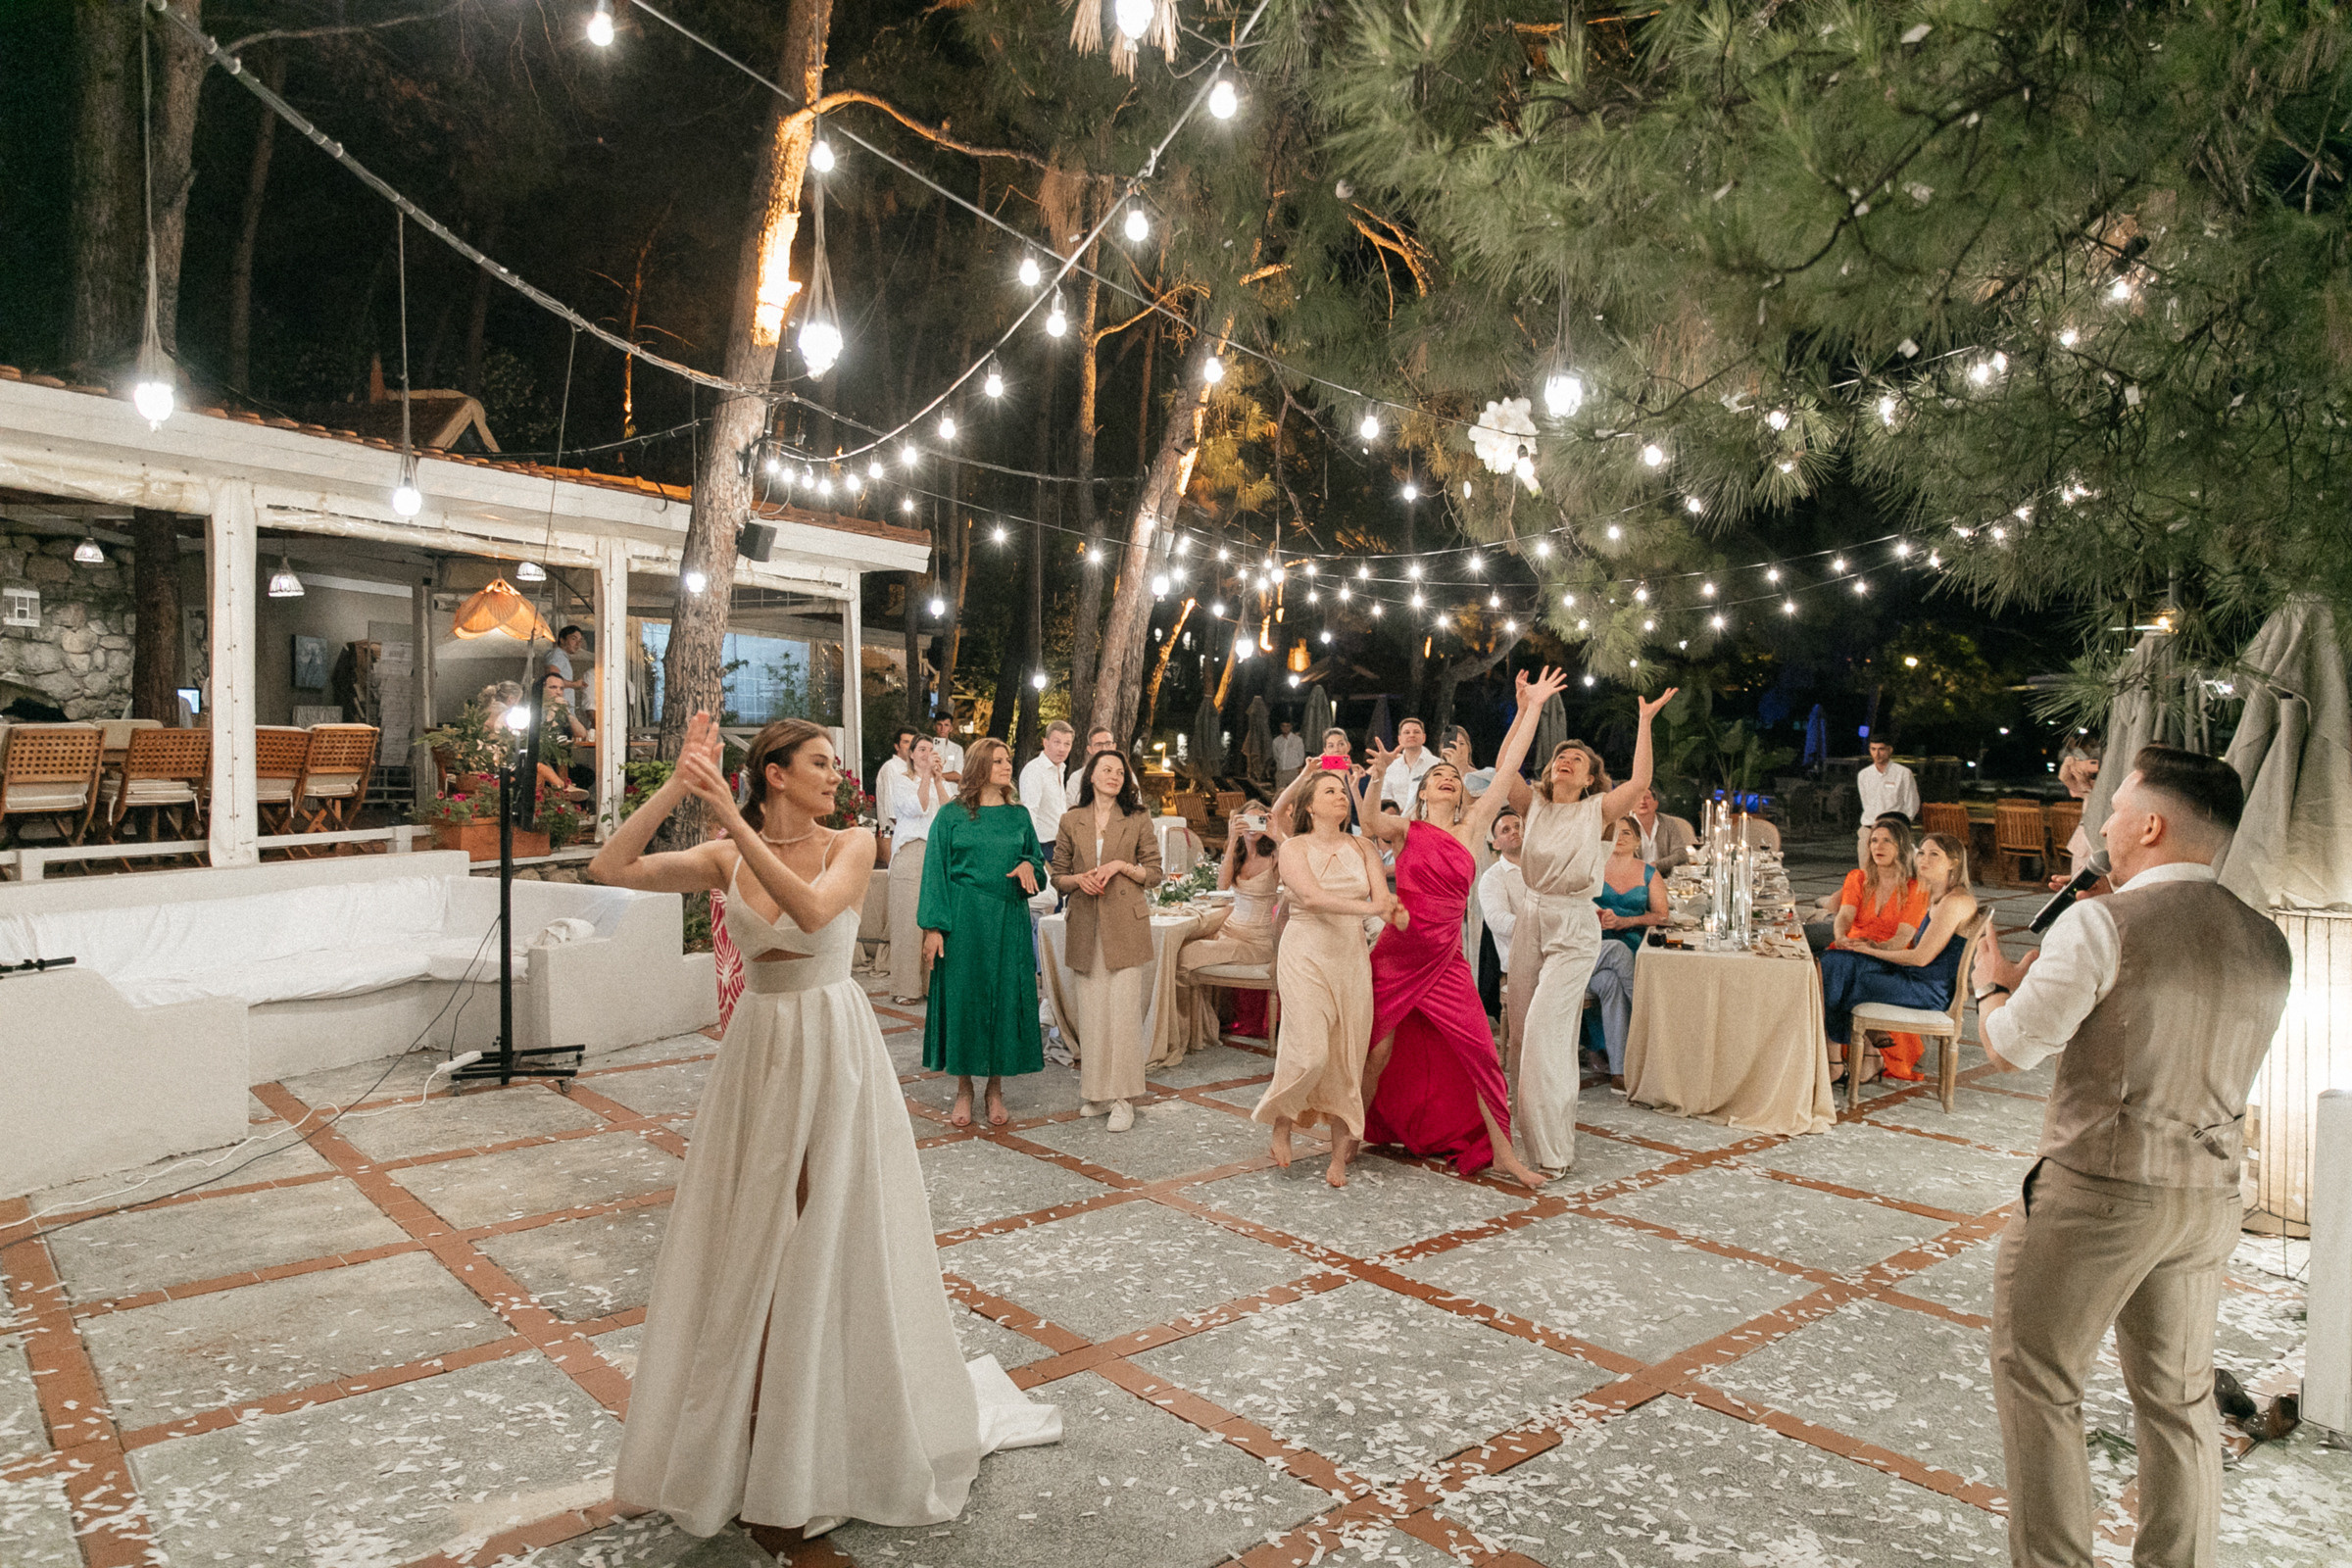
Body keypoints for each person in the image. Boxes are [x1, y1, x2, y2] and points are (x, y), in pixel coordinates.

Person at [595, 714, 1055, 1546]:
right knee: (750, 1234)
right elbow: (608, 864)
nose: (835, 777)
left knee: (821, 1226)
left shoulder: (852, 845)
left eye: (836, 765)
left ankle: (824, 1436)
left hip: (831, 1044)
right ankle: (755, 1430)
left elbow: (810, 915)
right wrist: (683, 779)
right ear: (774, 773)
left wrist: (729, 817)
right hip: (757, 1053)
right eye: (817, 763)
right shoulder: (726, 856)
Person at [1972, 746, 2290, 1568]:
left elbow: (2012, 1046)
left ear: (2150, 824)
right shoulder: (2265, 938)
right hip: (2211, 1195)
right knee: (2179, 1400)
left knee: (2040, 1381)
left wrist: (1990, 985)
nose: (2102, 822)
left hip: (2101, 1191)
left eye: (2114, 807)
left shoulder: (2099, 923)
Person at [1351, 667, 1566, 1191]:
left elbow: (1510, 761)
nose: (1447, 778)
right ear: (1423, 793)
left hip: (1446, 960)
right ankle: (1352, 1131)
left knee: (1482, 1055)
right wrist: (1378, 775)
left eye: (1452, 775)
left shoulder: (1474, 827)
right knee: (1377, 1048)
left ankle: (1504, 1156)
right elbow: (1368, 822)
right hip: (1399, 954)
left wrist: (1530, 707)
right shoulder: (1405, 829)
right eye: (1436, 777)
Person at [1503, 684, 1678, 1173]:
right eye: (1562, 756)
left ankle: (1555, 1152)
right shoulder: (1530, 806)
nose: (1567, 760)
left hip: (1574, 925)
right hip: (1531, 920)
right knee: (1520, 1038)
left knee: (1545, 1033)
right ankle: (1531, 1142)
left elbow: (1641, 780)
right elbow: (1505, 769)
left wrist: (1645, 722)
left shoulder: (1597, 811)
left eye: (1578, 759)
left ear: (1590, 779)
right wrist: (1527, 711)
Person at [1253, 771, 1396, 1187]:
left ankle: (1337, 1154)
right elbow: (1313, 898)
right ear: (1310, 807)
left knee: (1346, 1056)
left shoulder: (1363, 846)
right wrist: (1371, 910)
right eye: (1329, 792)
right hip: (1305, 951)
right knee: (1311, 1050)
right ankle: (1282, 1120)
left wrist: (1386, 907)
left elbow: (1382, 896)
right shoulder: (1294, 847)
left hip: (1351, 956)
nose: (1340, 798)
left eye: (1341, 792)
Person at [919, 738, 1050, 1129]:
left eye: (1008, 759)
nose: (1007, 766)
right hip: (963, 918)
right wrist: (933, 928)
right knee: (964, 999)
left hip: (1009, 916)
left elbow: (1038, 865)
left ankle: (994, 1087)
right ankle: (964, 1087)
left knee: (1002, 997)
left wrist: (1030, 867)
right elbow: (934, 872)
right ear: (979, 767)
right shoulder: (951, 816)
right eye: (997, 761)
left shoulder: (1019, 815)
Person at [1050, 748, 1164, 1131]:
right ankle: (1096, 1093)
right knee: (1093, 1012)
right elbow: (1058, 875)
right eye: (1107, 770)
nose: (1115, 776)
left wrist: (1119, 866)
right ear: (1091, 776)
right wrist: (1078, 881)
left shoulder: (1137, 818)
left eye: (1120, 771)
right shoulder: (1072, 820)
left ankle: (1124, 1098)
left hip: (1125, 924)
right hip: (1085, 923)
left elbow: (1155, 872)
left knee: (1123, 1014)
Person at [1819, 831, 1978, 1083]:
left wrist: (1868, 951)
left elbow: (1920, 958)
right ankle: (1860, 1056)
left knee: (1836, 968)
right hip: (1916, 980)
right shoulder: (1939, 897)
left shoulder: (1955, 901)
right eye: (1922, 853)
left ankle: (1836, 1062)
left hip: (1928, 991)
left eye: (1934, 854)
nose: (1924, 860)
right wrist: (1872, 947)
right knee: (1836, 961)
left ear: (1953, 862)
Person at [1175, 800, 1286, 1042]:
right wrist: (1233, 838)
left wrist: (1277, 835)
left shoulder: (1276, 856)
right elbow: (1222, 886)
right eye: (1247, 820)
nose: (1253, 826)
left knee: (1185, 957)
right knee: (1178, 948)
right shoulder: (1237, 853)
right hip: (1229, 929)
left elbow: (1297, 863)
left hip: (1257, 941)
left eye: (1260, 819)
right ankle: (1197, 1025)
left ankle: (1191, 1030)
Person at [1584, 815, 1667, 1086]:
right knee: (1618, 957)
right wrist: (1598, 917)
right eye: (1614, 833)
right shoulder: (1592, 868)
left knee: (1610, 981)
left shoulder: (1648, 872)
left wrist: (1627, 921)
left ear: (1638, 840)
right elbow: (1577, 906)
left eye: (1626, 834)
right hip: (1595, 942)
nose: (1619, 838)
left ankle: (1620, 1067)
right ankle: (1649, 1025)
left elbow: (1662, 916)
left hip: (1633, 940)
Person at [884, 737, 948, 1004]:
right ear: (911, 755)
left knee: (931, 920)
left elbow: (948, 812)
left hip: (936, 854)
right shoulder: (901, 780)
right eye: (921, 750)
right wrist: (924, 777)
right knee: (908, 923)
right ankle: (905, 988)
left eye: (930, 750)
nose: (927, 754)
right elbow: (918, 808)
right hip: (911, 853)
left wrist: (938, 780)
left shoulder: (937, 783)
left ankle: (930, 985)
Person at [1020, 720, 1076, 909]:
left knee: (1063, 903)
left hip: (1060, 845)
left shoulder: (1060, 768)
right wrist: (1033, 851)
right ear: (1045, 743)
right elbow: (1030, 811)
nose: (1062, 748)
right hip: (1043, 846)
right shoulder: (1035, 771)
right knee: (1051, 902)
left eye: (1067, 744)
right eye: (1057, 742)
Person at [1474, 808, 1523, 1021]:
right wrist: (1540, 923)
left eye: (1518, 826)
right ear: (1496, 843)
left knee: (1610, 981)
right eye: (1506, 830)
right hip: (1520, 954)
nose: (1514, 832)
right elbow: (1497, 920)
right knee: (1616, 956)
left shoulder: (1542, 867)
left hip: (1557, 944)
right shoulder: (1493, 877)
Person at [2051, 736, 2111, 893]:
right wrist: (2069, 769)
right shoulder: (2092, 784)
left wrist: (2086, 785)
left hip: (2103, 846)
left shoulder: (2120, 788)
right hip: (2084, 844)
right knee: (2078, 890)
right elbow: (2069, 782)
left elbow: (2101, 805)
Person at [1855, 737, 1920, 863]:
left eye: (1881, 749)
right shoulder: (1864, 775)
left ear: (1889, 750)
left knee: (1899, 870)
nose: (1877, 754)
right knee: (1866, 873)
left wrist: (1901, 825)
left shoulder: (1903, 773)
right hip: (1869, 828)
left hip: (1895, 829)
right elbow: (1866, 803)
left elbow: (1912, 803)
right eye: (1873, 749)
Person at [1630, 788, 1697, 871]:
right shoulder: (1625, 826)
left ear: (1656, 803)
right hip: (1633, 878)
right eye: (1638, 798)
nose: (1642, 801)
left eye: (1647, 798)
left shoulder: (1669, 823)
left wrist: (1657, 865)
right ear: (1631, 806)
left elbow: (1681, 854)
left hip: (1665, 878)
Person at [1378, 716, 1438, 809]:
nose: (1411, 735)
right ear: (1400, 739)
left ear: (1424, 738)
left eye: (1416, 732)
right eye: (1407, 732)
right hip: (1397, 819)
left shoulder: (1437, 764)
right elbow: (1385, 795)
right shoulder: (1392, 766)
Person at [873, 726, 919, 848]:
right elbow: (891, 810)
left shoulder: (915, 770)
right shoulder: (890, 768)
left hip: (910, 835)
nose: (910, 746)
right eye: (906, 742)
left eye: (913, 742)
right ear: (896, 746)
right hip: (893, 835)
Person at [1067, 726, 1116, 799]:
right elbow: (1071, 808)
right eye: (1098, 745)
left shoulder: (1126, 775)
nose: (1104, 749)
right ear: (1089, 749)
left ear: (1114, 747)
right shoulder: (1077, 778)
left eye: (1108, 744)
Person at [1270, 720, 1306, 794]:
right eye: (1283, 726)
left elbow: (1301, 756)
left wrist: (1297, 768)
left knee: (1294, 794)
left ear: (1291, 727)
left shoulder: (1297, 740)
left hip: (1293, 771)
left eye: (1287, 726)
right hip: (1281, 772)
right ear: (1280, 727)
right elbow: (1276, 756)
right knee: (1280, 795)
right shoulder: (1276, 741)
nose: (1285, 728)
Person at [931, 710, 966, 784]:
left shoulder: (957, 749)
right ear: (934, 726)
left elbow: (958, 774)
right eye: (939, 724)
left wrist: (935, 776)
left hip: (950, 790)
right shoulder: (927, 746)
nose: (942, 728)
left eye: (946, 725)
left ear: (951, 728)